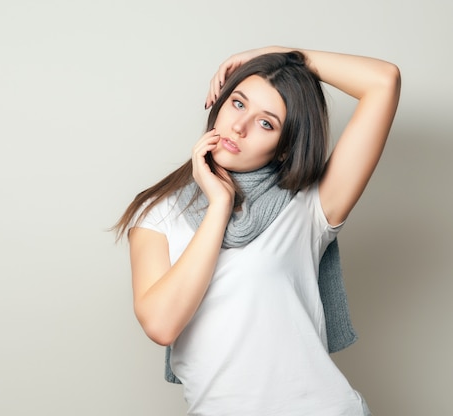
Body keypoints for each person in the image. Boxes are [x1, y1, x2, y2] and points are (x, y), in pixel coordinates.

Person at [113, 46, 400, 416]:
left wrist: (279, 55)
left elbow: (384, 82)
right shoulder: (158, 213)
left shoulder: (309, 205)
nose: (239, 127)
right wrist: (219, 205)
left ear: (284, 149)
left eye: (267, 123)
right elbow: (162, 325)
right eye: (237, 103)